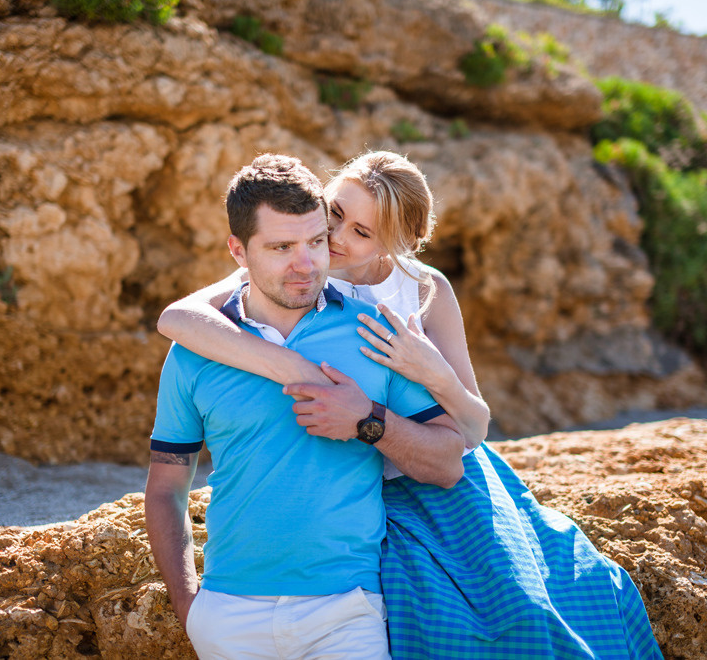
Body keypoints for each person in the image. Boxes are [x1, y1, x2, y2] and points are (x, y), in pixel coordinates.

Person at [157, 150, 664, 658]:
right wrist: (297, 370)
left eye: (361, 232)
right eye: (335, 214)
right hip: (340, 497)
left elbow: (472, 428)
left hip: (414, 463)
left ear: (396, 245)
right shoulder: (293, 264)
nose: (334, 238)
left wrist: (431, 372)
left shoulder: (421, 290)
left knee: (517, 610)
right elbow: (179, 317)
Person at [144, 154, 467, 660]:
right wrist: (191, 607)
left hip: (348, 614)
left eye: (316, 241)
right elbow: (166, 486)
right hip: (228, 615)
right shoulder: (197, 349)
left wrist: (367, 422)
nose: (307, 264)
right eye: (281, 248)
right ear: (238, 251)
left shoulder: (376, 330)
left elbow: (449, 462)